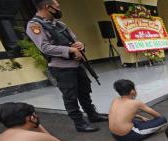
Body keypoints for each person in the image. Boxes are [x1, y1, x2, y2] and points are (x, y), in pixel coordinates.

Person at [26, 0, 108, 132]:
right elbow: (45, 47)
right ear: (48, 7)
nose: (59, 9)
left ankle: (92, 115)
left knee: (84, 91)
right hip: (61, 68)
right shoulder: (34, 25)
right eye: (57, 6)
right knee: (70, 96)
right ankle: (79, 123)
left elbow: (74, 39)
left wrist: (80, 45)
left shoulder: (59, 23)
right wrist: (70, 50)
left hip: (76, 64)